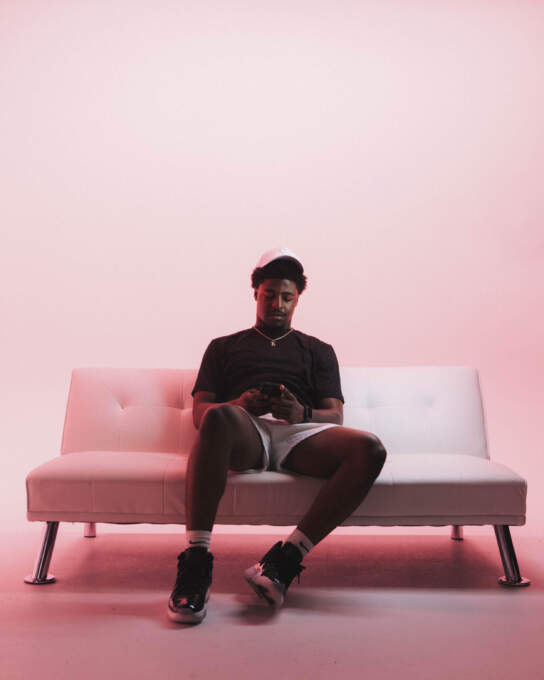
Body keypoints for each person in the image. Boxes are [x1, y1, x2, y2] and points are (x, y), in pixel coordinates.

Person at [167, 246, 387, 624]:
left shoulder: (318, 350)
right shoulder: (223, 347)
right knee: (219, 416)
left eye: (287, 297)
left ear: (298, 298)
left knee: (370, 448)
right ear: (255, 293)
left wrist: (301, 413)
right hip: (244, 431)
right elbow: (201, 414)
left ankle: (283, 562)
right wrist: (238, 404)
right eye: (269, 295)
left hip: (300, 435)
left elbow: (334, 415)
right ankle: (195, 563)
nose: (277, 305)